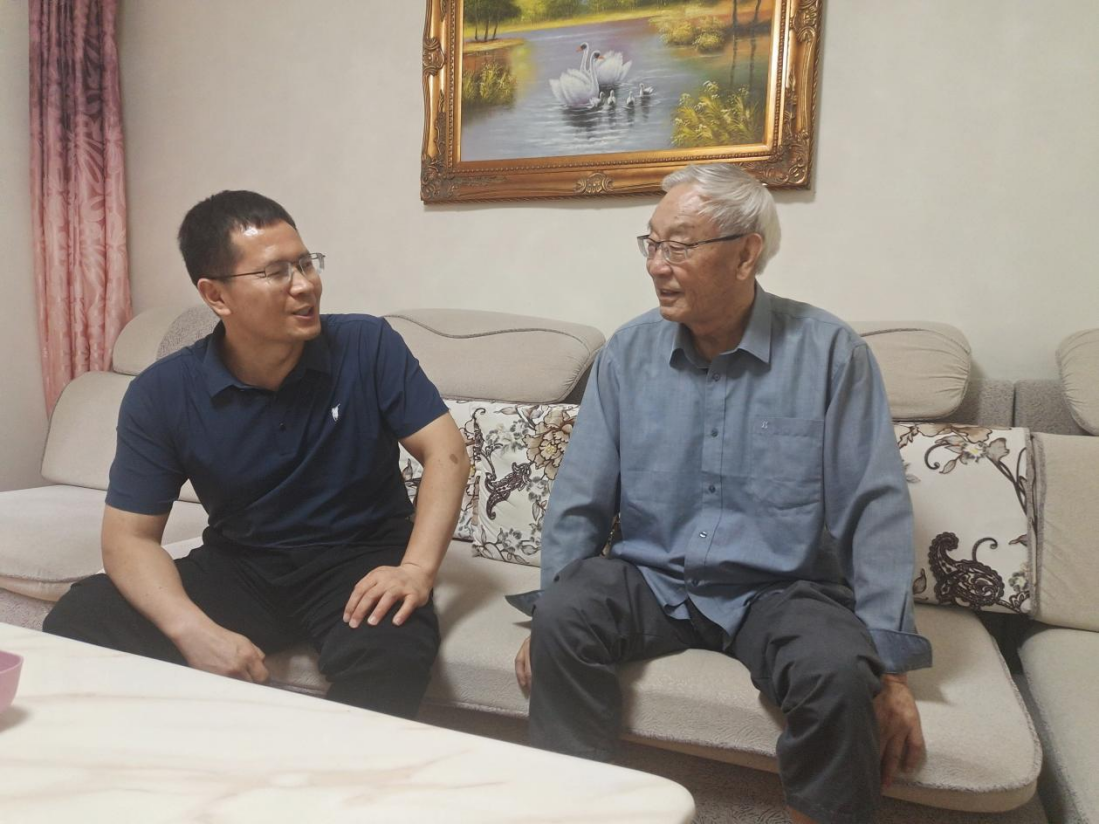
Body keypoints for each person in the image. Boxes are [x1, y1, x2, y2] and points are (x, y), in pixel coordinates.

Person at [510, 164, 931, 824]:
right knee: (564, 613)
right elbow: (580, 496)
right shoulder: (627, 353)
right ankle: (576, 809)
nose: (656, 265)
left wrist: (892, 671)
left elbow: (873, 509)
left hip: (783, 589)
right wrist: (547, 615)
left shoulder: (829, 353)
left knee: (838, 671)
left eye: (678, 246)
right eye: (651, 243)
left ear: (746, 253)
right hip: (652, 578)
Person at [44, 190, 469, 719]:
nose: (305, 284)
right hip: (242, 564)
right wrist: (192, 630)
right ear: (216, 295)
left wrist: (415, 569)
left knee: (390, 656)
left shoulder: (367, 344)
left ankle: (332, 770)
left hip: (359, 558)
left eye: (306, 263)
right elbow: (128, 538)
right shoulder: (162, 393)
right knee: (83, 615)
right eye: (276, 273)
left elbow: (447, 453)